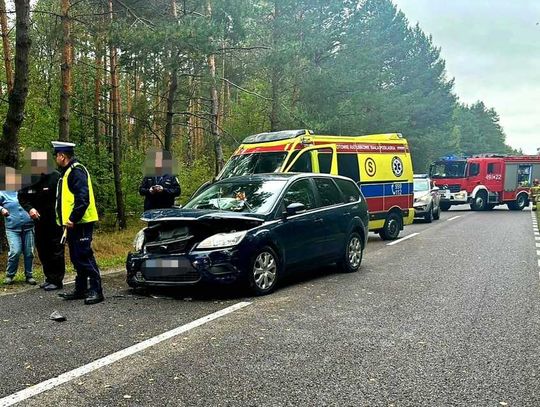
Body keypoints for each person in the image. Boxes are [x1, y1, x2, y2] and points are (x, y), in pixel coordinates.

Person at [52, 141, 104, 305]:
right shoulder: (67, 172)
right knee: (76, 257)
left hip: (81, 222)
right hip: (72, 224)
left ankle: (96, 290)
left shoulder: (76, 171)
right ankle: (81, 289)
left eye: (56, 156)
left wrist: (73, 218)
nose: (55, 159)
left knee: (84, 255)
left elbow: (83, 199)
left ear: (62, 156)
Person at [18, 150, 65, 291]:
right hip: (38, 220)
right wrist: (30, 209)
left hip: (55, 220)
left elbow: (65, 197)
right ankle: (49, 277)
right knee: (43, 250)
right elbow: (22, 197)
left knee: (55, 249)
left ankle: (57, 280)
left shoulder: (56, 177)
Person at [0, 166, 36, 285]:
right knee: (15, 251)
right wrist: (2, 209)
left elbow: (34, 201)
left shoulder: (25, 189)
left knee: (29, 252)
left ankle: (29, 275)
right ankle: (10, 275)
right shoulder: (2, 192)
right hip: (12, 228)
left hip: (28, 226)